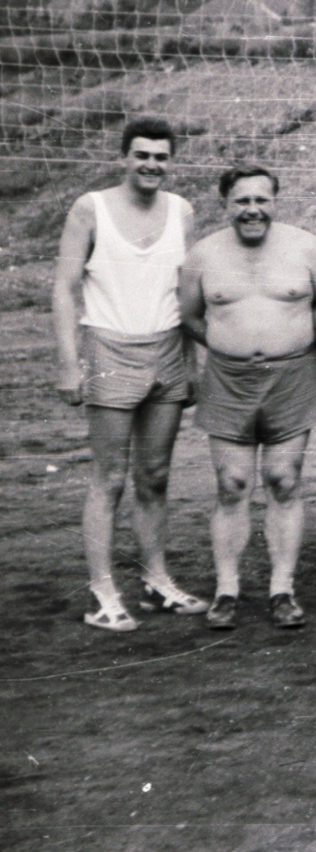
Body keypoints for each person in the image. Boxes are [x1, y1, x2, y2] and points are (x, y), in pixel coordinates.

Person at [52, 117, 206, 632]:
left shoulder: (181, 211)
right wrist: (70, 363)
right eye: (142, 155)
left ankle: (156, 580)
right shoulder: (90, 209)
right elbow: (63, 288)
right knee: (109, 477)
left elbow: (186, 295)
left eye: (161, 157)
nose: (151, 165)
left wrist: (191, 363)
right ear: (125, 156)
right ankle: (102, 592)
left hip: (165, 351)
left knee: (155, 476)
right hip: (108, 348)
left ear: (170, 161)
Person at [180, 164, 316, 630]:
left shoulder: (307, 247)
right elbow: (190, 317)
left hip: (292, 376)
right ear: (226, 204)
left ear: (275, 200)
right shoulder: (203, 255)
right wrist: (235, 345)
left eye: (261, 200)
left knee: (283, 479)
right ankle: (226, 590)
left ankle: (281, 590)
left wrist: (306, 328)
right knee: (231, 484)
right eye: (242, 201)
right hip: (229, 379)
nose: (252, 210)